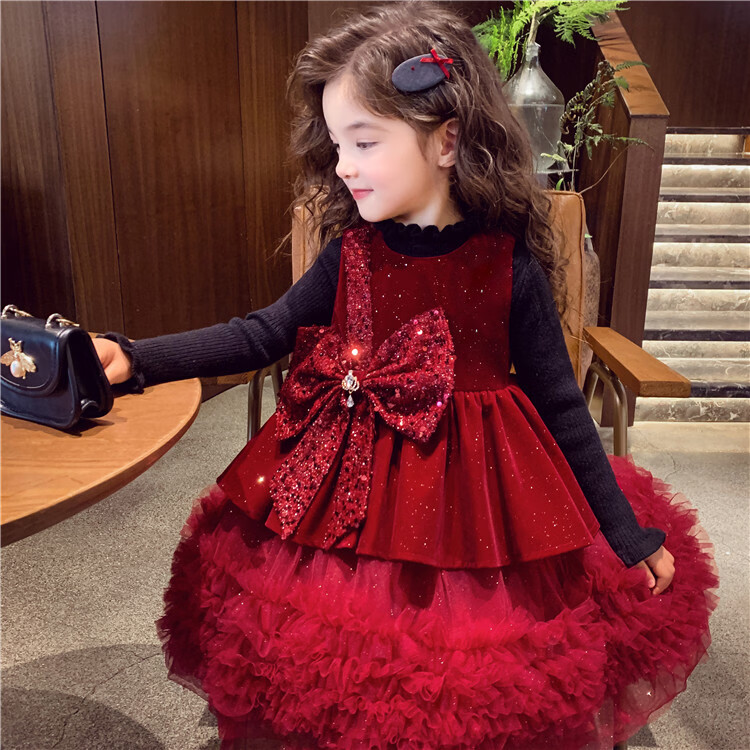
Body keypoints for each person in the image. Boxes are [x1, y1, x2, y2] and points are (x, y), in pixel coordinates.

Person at [93, 3, 717, 748]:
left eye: (364, 141)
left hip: (477, 489)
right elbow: (262, 333)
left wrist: (624, 533)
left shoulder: (507, 263)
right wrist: (137, 358)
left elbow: (560, 402)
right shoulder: (350, 254)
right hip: (346, 477)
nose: (344, 165)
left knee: (472, 659)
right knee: (328, 642)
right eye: (337, 145)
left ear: (448, 140)